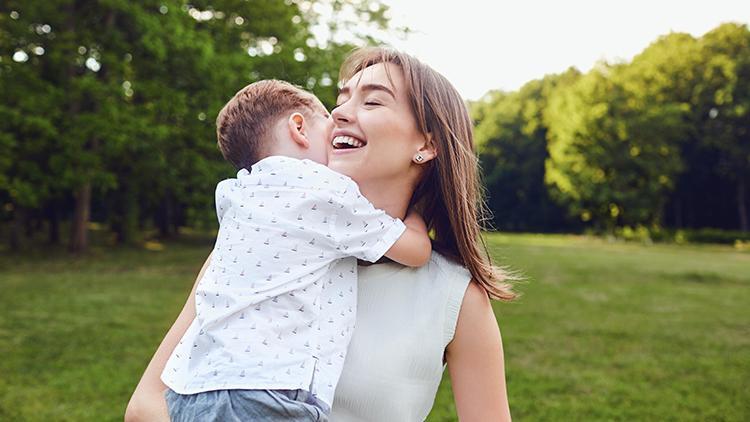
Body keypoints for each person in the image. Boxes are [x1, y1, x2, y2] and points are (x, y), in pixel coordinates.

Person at [126, 47, 515, 422]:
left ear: (426, 144)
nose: (341, 113)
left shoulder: (455, 295)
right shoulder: (251, 249)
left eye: (373, 102)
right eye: (341, 99)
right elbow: (146, 406)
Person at [160, 79, 431, 421]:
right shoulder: (324, 193)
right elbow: (416, 251)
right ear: (299, 128)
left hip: (190, 393)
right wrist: (420, 212)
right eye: (328, 127)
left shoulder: (239, 195)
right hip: (266, 392)